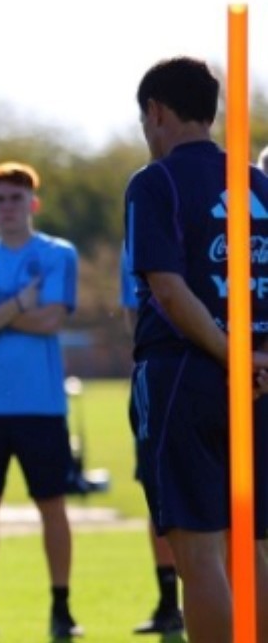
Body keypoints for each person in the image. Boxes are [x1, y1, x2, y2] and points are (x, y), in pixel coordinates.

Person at [125, 56, 268, 643]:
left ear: (156, 112)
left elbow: (166, 287)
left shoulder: (153, 182)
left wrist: (229, 351)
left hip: (186, 375)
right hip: (256, 381)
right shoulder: (257, 183)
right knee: (252, 546)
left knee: (200, 555)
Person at [0, 161, 81, 639]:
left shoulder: (57, 254)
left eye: (16, 198)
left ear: (33, 203)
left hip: (42, 405)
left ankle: (61, 608)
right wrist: (19, 304)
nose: (7, 207)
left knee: (53, 506)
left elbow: (51, 321)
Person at [120, 244, 184, 636]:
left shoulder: (151, 196)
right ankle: (166, 601)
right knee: (158, 492)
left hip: (179, 373)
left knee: (203, 539)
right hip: (236, 366)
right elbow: (133, 311)